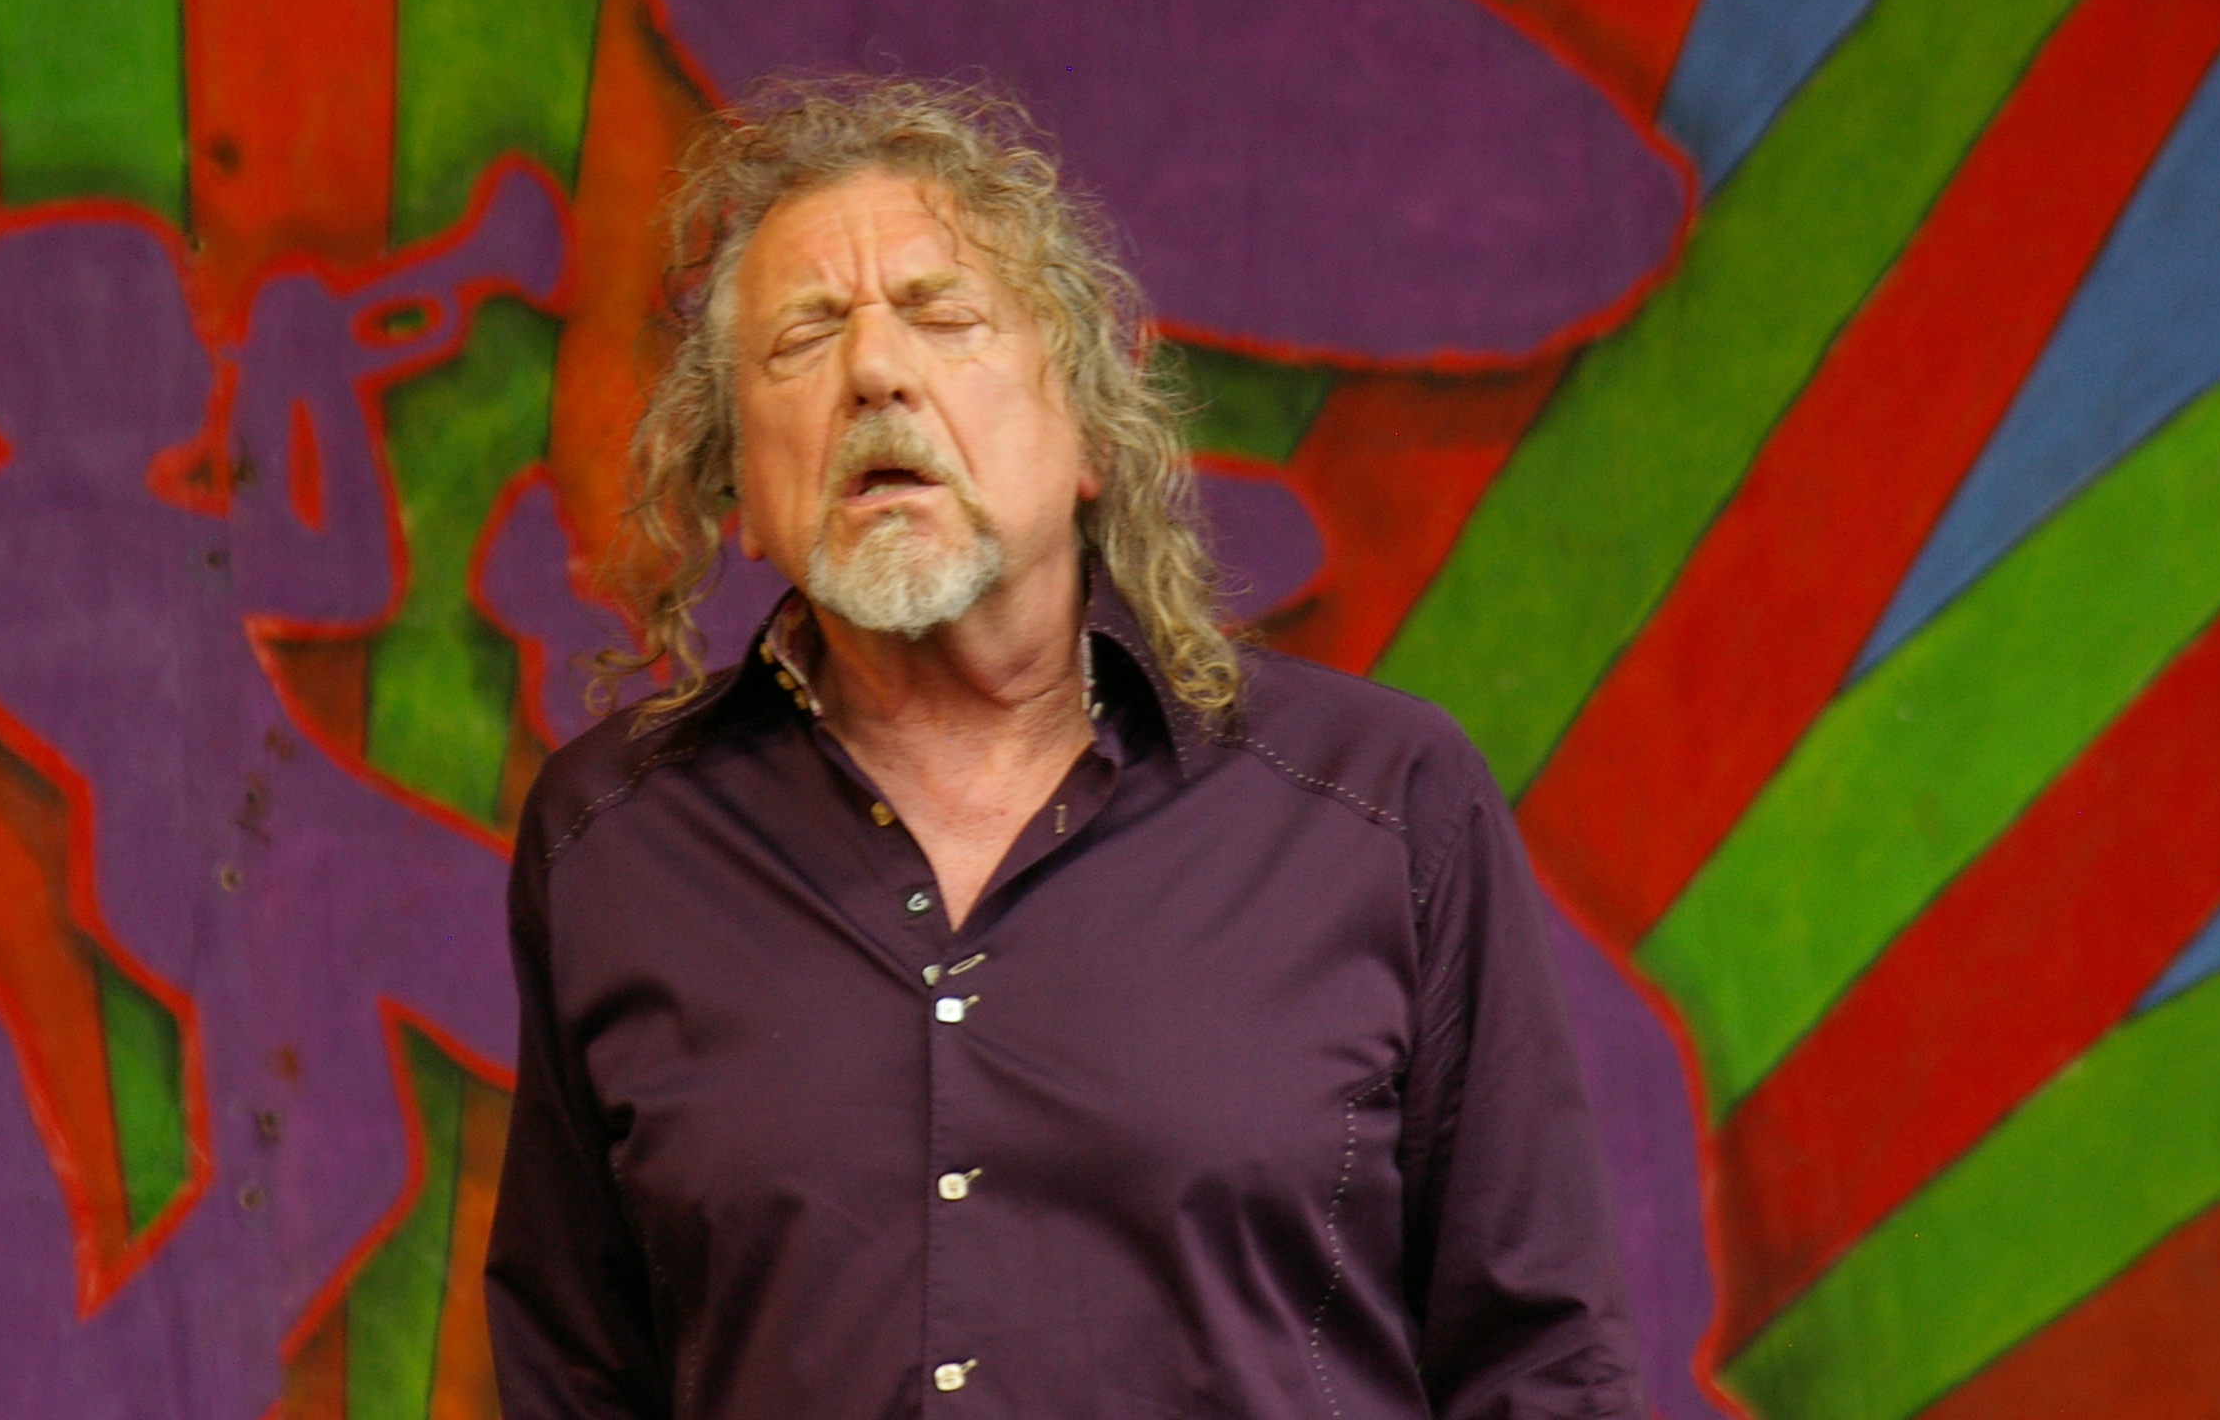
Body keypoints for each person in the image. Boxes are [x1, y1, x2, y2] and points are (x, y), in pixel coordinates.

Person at [489, 81, 1646, 1416]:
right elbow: (575, 1380)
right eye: (802, 338)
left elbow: (1543, 1364)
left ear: (1091, 428)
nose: (875, 372)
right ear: (739, 490)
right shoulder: (615, 841)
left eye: (944, 317)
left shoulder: (1379, 805)